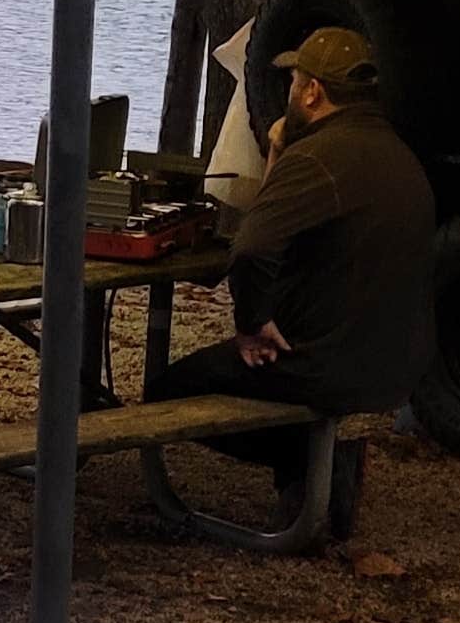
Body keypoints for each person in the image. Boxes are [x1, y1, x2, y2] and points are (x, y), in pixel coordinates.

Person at [147, 26, 433, 512]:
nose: (289, 92)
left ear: (312, 92)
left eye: (294, 81)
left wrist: (253, 325)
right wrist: (279, 151)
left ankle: (309, 461)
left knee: (164, 393)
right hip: (398, 365)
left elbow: (252, 247)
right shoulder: (396, 154)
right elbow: (280, 216)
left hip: (328, 366)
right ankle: (315, 475)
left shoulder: (322, 157)